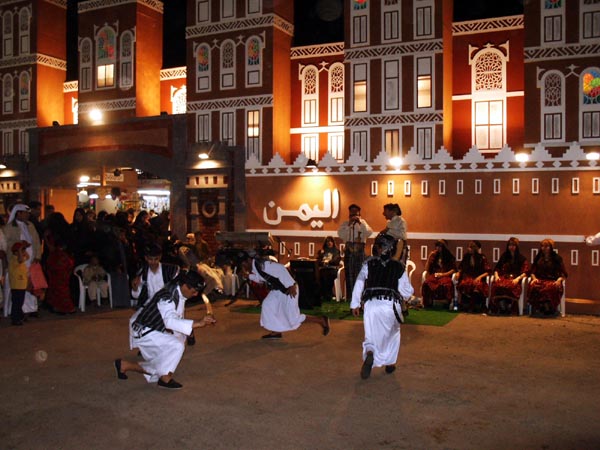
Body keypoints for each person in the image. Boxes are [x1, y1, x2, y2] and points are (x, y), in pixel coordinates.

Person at [114, 270, 216, 389]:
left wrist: (188, 332)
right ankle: (165, 378)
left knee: (176, 346)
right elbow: (170, 321)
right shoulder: (167, 297)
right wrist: (198, 323)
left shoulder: (178, 290)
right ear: (184, 286)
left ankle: (125, 365)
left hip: (153, 326)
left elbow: (176, 317)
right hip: (144, 330)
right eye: (193, 291)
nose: (195, 295)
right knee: (176, 347)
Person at [350, 233, 414, 379]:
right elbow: (407, 291)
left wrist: (355, 304)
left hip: (371, 305)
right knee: (393, 334)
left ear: (378, 249)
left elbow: (359, 282)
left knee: (371, 336)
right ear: (391, 250)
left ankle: (371, 353)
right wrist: (405, 297)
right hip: (390, 305)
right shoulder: (398, 266)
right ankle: (390, 363)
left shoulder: (368, 263)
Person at [237, 251, 330, 339]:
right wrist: (248, 276)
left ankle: (321, 320)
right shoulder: (256, 267)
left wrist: (291, 285)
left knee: (293, 318)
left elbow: (281, 268)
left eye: (243, 264)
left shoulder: (263, 265)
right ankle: (276, 331)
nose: (243, 267)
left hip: (289, 289)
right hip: (278, 290)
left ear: (249, 261)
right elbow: (261, 278)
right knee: (267, 305)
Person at [4, 204, 42, 316]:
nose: (27, 215)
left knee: (31, 283)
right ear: (18, 213)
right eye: (25, 213)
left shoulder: (30, 225)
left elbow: (36, 241)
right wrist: (20, 246)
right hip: (18, 262)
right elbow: (7, 245)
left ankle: (31, 308)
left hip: (30, 260)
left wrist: (37, 255)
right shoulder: (9, 228)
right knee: (19, 286)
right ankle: (19, 310)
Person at [337, 204, 373, 299]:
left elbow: (369, 233)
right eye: (351, 213)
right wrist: (349, 225)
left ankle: (361, 297)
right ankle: (350, 297)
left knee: (360, 274)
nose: (353, 215)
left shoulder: (363, 223)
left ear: (359, 213)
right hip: (349, 251)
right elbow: (341, 235)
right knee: (349, 274)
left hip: (359, 251)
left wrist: (360, 223)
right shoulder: (345, 224)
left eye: (355, 213)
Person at [44, 212, 76, 314]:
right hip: (67, 260)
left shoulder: (51, 233)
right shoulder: (67, 230)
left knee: (56, 285)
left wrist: (45, 238)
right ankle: (66, 306)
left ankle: (61, 306)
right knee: (64, 284)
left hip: (56, 261)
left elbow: (51, 249)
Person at [131, 243, 180, 309]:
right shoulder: (142, 273)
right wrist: (135, 288)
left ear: (160, 257)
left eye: (156, 259)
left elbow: (178, 292)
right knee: (134, 319)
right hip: (149, 306)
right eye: (150, 259)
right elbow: (136, 296)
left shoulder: (170, 270)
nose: (153, 262)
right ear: (146, 258)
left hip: (167, 305)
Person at [489, 237, 530, 314]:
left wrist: (517, 279)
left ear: (516, 247)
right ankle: (501, 306)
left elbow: (526, 272)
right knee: (498, 285)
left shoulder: (521, 258)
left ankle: (509, 307)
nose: (511, 247)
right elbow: (497, 268)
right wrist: (497, 276)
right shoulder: (504, 256)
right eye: (510, 245)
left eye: (513, 245)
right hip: (503, 277)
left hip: (515, 279)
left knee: (510, 286)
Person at [527, 238, 568, 316]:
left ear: (551, 247)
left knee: (550, 287)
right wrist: (534, 278)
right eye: (542, 246)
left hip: (552, 280)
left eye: (547, 246)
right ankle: (540, 307)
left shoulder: (557, 258)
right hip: (540, 280)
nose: (544, 248)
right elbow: (532, 271)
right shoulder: (538, 258)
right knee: (533, 286)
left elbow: (563, 273)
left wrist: (559, 280)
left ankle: (549, 307)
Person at [455, 240, 491, 312]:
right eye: (468, 247)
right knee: (464, 284)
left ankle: (474, 306)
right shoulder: (466, 256)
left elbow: (488, 271)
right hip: (468, 278)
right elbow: (461, 267)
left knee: (477, 286)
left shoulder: (482, 257)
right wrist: (458, 273)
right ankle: (462, 305)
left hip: (479, 279)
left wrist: (480, 277)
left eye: (471, 247)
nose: (469, 249)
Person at [421, 239, 456, 308]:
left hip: (445, 275)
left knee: (446, 284)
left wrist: (443, 274)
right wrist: (429, 258)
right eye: (437, 246)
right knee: (427, 283)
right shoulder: (434, 255)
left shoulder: (449, 256)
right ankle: (428, 303)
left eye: (440, 246)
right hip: (435, 275)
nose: (438, 248)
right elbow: (426, 269)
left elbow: (453, 270)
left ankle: (446, 303)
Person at [8, 241, 30, 326]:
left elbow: (27, 257)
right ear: (16, 252)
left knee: (19, 302)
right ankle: (15, 319)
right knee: (17, 303)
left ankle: (20, 316)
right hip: (16, 285)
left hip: (21, 285)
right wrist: (20, 249)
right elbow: (20, 259)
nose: (24, 252)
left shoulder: (19, 258)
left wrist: (24, 247)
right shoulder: (14, 259)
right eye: (22, 250)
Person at [317, 236, 341, 303]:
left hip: (332, 269)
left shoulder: (336, 251)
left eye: (330, 241)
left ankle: (328, 294)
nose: (329, 243)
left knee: (327, 276)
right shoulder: (322, 251)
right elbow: (318, 261)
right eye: (327, 241)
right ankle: (322, 294)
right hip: (323, 269)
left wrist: (328, 262)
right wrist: (322, 260)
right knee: (319, 275)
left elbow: (336, 261)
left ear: (333, 242)